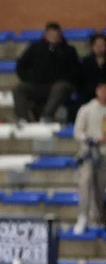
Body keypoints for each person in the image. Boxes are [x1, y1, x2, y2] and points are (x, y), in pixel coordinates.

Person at [13, 22, 79, 124]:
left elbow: (75, 70)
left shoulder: (69, 51)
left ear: (60, 35)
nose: (53, 37)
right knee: (19, 88)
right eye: (50, 34)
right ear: (45, 35)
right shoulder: (35, 48)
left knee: (61, 87)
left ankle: (46, 116)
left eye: (56, 34)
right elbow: (21, 65)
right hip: (36, 85)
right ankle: (23, 119)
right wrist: (29, 78)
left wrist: (63, 79)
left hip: (57, 87)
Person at [74, 81, 106, 231]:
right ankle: (83, 216)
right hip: (89, 153)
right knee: (85, 182)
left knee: (100, 187)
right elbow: (78, 133)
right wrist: (92, 139)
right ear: (97, 91)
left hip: (104, 155)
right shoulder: (86, 109)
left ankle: (97, 217)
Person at [78, 32, 106, 98]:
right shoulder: (85, 62)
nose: (99, 47)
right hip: (89, 94)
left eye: (102, 45)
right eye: (97, 45)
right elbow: (81, 81)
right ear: (92, 46)